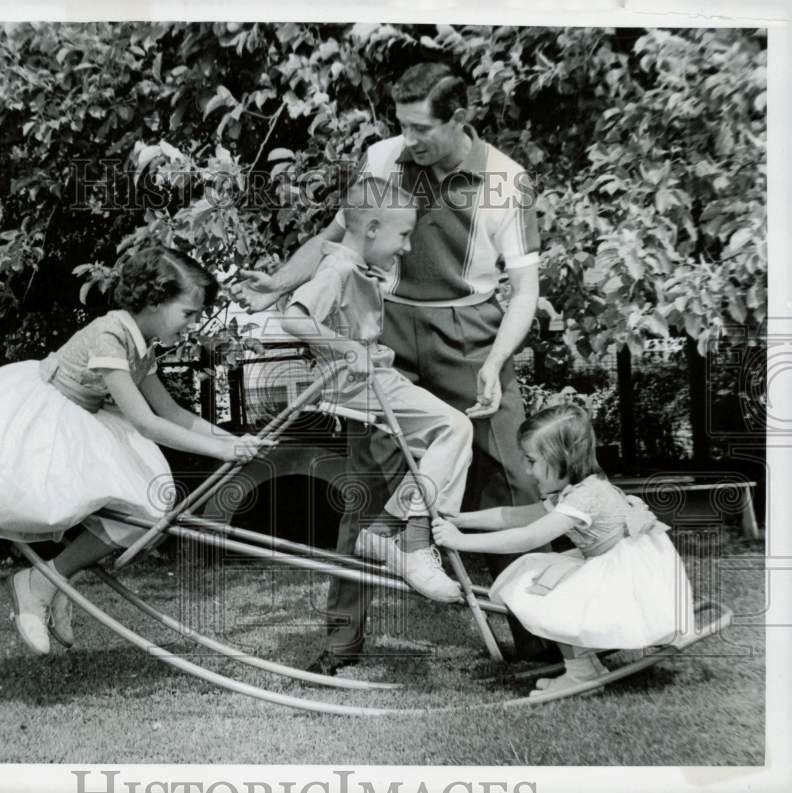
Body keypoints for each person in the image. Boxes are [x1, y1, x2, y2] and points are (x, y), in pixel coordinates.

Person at [236, 62, 551, 672]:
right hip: (383, 331)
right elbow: (337, 238)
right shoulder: (383, 158)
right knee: (369, 486)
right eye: (401, 125)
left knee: (510, 479)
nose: (408, 139)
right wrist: (279, 282)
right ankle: (340, 644)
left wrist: (495, 362)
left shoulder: (506, 180)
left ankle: (537, 645)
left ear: (459, 118)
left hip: (471, 334)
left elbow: (526, 288)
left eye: (420, 128)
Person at [0, 246, 273, 655]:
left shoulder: (140, 344)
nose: (193, 324)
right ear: (154, 301)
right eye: (188, 313)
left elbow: (171, 411)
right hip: (48, 421)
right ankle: (42, 584)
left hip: (84, 422)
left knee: (146, 510)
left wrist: (230, 441)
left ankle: (50, 583)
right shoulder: (111, 334)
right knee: (115, 506)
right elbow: (147, 422)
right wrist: (221, 451)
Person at [281, 177, 474, 602]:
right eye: (403, 234)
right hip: (360, 384)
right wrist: (349, 348)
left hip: (371, 381)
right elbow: (294, 318)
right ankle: (415, 544)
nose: (406, 247)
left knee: (445, 444)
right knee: (454, 429)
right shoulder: (338, 268)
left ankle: (386, 532)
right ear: (371, 229)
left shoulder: (356, 268)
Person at [432, 403, 696, 696]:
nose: (527, 470)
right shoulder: (576, 490)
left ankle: (581, 673)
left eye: (532, 461)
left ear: (563, 458)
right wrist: (462, 519)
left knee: (553, 595)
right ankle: (585, 669)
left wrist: (460, 541)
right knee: (549, 586)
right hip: (611, 560)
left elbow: (527, 537)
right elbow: (514, 516)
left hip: (624, 570)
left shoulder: (585, 498)